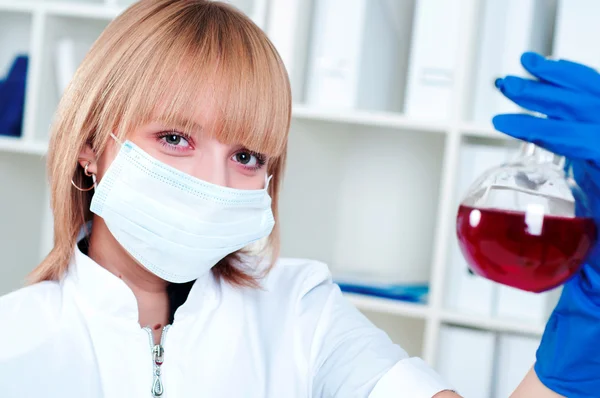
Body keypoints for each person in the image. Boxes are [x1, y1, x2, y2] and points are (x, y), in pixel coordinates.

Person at [0, 1, 597, 397]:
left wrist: (577, 347)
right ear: (87, 145)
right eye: (175, 138)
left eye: (246, 156)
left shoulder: (299, 311)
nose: (213, 181)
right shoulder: (15, 342)